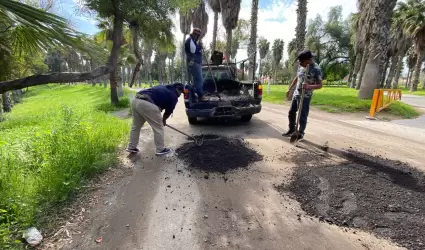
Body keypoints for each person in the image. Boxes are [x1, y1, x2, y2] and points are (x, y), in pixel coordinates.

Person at [126, 83, 184, 155]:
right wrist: (163, 120)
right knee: (158, 127)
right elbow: (168, 112)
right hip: (147, 104)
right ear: (178, 90)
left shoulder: (163, 87)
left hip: (136, 101)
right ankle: (160, 149)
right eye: (181, 92)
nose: (180, 94)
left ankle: (131, 147)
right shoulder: (173, 95)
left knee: (135, 127)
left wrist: (163, 119)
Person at [282, 50, 323, 141]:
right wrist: (290, 88)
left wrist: (309, 86)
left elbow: (320, 85)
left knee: (302, 115)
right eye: (299, 62)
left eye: (302, 62)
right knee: (291, 112)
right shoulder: (301, 67)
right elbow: (297, 78)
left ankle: (300, 133)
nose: (300, 64)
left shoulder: (316, 69)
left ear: (308, 60)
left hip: (305, 96)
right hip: (296, 94)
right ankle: (292, 129)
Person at [185, 28, 206, 101]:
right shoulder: (190, 40)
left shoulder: (193, 41)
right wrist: (199, 46)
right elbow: (193, 51)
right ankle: (200, 96)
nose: (197, 37)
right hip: (193, 63)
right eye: (197, 35)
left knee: (197, 80)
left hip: (196, 63)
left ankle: (193, 95)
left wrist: (199, 46)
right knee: (199, 79)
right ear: (194, 35)